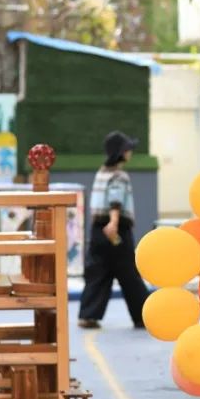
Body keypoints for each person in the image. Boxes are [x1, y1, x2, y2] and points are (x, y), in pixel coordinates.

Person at [78, 130, 151, 329]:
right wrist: (114, 222)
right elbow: (116, 199)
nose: (130, 152)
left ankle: (88, 315)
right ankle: (143, 316)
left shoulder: (101, 172)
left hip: (97, 230)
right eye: (128, 149)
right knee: (129, 274)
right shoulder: (120, 175)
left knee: (97, 272)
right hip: (116, 229)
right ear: (121, 152)